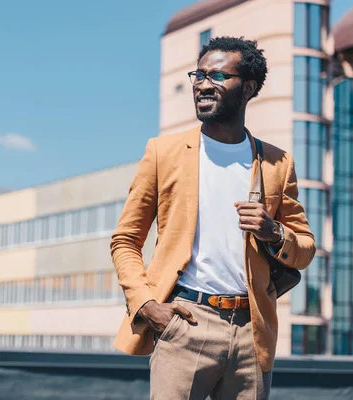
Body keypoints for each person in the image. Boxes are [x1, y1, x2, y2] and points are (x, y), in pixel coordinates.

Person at [110, 36, 316, 399]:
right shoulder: (163, 153)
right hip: (185, 322)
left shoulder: (276, 163)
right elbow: (125, 240)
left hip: (253, 330)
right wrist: (147, 305)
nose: (203, 84)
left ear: (248, 87)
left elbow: (304, 249)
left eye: (218, 76)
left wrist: (273, 232)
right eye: (199, 75)